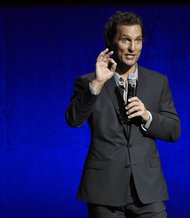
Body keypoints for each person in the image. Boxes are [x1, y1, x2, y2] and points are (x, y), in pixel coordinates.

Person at [65, 10, 181, 218]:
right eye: (126, 40)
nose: (132, 48)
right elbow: (73, 120)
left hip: (148, 191)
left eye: (138, 40)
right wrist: (97, 84)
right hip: (104, 190)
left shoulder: (158, 82)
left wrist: (148, 116)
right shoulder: (88, 81)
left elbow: (174, 130)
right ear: (112, 42)